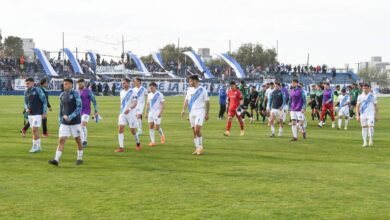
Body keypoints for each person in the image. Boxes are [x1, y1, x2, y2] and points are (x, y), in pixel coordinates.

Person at [48, 78, 83, 166]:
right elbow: (61, 109)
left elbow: (79, 107)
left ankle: (79, 158)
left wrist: (70, 117)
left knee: (78, 140)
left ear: (71, 85)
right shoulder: (61, 95)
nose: (64, 85)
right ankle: (56, 160)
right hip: (65, 123)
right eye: (64, 84)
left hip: (75, 122)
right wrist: (60, 121)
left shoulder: (76, 94)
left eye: (66, 84)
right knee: (61, 140)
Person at [181, 75, 210, 155]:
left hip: (200, 111)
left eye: (191, 81)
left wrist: (207, 113)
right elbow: (186, 100)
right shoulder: (189, 90)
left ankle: (200, 147)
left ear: (196, 81)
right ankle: (197, 148)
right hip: (191, 112)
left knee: (197, 130)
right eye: (189, 81)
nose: (189, 82)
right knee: (194, 131)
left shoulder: (202, 90)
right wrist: (183, 109)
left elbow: (207, 102)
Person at [115, 78, 140, 152]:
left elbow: (135, 103)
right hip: (122, 113)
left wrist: (129, 109)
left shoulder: (133, 91)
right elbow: (122, 103)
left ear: (129, 83)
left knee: (133, 131)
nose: (123, 84)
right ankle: (121, 147)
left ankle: (138, 143)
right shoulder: (121, 92)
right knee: (120, 129)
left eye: (124, 83)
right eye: (122, 83)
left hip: (131, 114)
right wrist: (122, 111)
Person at [24, 77, 47, 153]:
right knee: (34, 131)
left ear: (33, 83)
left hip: (38, 113)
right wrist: (26, 108)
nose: (27, 85)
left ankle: (34, 147)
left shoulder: (38, 90)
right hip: (30, 114)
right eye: (26, 83)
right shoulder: (26, 92)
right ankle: (39, 147)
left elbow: (44, 101)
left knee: (34, 129)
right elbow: (25, 103)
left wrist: (44, 112)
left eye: (28, 83)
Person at [77, 79, 99, 148]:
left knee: (82, 125)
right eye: (78, 84)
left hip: (86, 111)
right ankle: (84, 140)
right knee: (82, 127)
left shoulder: (88, 92)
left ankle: (84, 141)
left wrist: (96, 111)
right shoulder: (76, 92)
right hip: (78, 112)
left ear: (84, 83)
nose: (80, 85)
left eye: (81, 83)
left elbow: (94, 101)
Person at [145, 82, 166, 146]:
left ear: (155, 87)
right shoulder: (149, 95)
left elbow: (163, 105)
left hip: (157, 113)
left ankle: (162, 135)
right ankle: (152, 142)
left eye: (152, 87)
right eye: (150, 87)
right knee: (151, 127)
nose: (151, 88)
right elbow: (147, 104)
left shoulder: (159, 94)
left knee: (156, 127)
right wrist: (146, 113)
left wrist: (160, 113)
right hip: (151, 113)